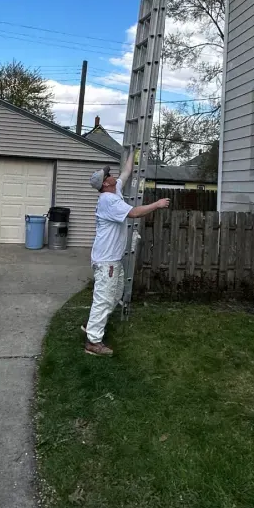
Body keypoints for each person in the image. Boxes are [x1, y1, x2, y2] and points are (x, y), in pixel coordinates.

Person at [84, 151, 169, 356]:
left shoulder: (115, 190)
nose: (111, 174)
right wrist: (157, 205)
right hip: (107, 261)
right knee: (104, 298)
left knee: (115, 294)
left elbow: (126, 171)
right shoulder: (108, 201)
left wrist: (134, 152)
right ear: (105, 184)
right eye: (107, 174)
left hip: (112, 259)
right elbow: (134, 213)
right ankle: (93, 342)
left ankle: (94, 325)